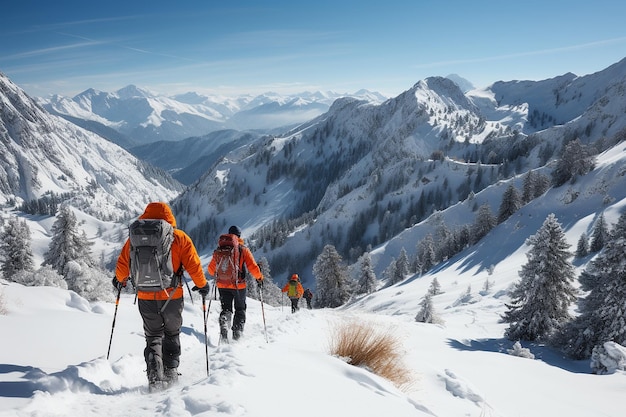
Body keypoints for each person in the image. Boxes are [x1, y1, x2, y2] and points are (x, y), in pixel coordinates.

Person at [113, 202, 209, 388]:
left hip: (145, 297)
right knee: (172, 333)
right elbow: (194, 266)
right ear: (169, 216)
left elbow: (122, 266)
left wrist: (120, 280)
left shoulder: (134, 238)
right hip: (172, 296)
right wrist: (202, 285)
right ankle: (171, 371)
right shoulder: (179, 237)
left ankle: (154, 369)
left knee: (153, 335)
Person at [207, 225, 263, 341]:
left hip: (222, 285)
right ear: (239, 236)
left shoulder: (219, 250)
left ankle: (224, 321)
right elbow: (252, 266)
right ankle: (237, 335)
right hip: (238, 285)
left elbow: (211, 270)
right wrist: (260, 278)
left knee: (226, 308)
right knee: (240, 309)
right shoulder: (243, 249)